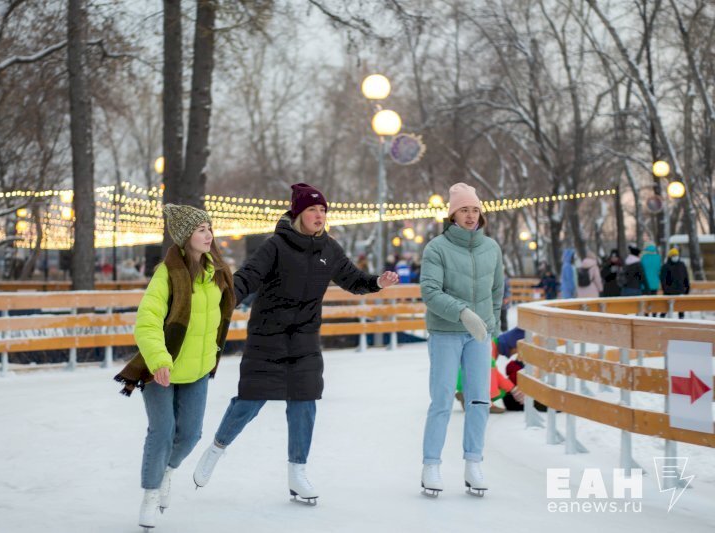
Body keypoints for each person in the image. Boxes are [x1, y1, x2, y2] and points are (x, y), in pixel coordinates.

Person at [192, 183, 399, 505]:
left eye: (323, 210)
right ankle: (216, 449)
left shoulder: (329, 249)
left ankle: (297, 472)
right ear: (299, 214)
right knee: (250, 401)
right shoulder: (275, 245)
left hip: (304, 339)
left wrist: (376, 282)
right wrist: (220, 299)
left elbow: (352, 279)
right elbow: (247, 278)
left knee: (305, 402)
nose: (320, 215)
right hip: (268, 336)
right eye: (313, 210)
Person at [113, 205, 235, 530]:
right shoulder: (167, 275)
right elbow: (147, 322)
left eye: (209, 228)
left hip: (197, 369)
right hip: (161, 369)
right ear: (185, 237)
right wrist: (159, 360)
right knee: (163, 432)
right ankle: (150, 496)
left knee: (191, 434)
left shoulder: (217, 273)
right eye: (200, 230)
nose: (208, 235)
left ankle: (167, 472)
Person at [419, 182, 504, 498]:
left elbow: (497, 290)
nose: (470, 216)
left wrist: (489, 322)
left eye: (474, 210)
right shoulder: (437, 248)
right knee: (442, 399)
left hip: (479, 336)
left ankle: (473, 462)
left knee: (480, 399)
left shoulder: (491, 248)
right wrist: (463, 313)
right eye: (464, 210)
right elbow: (429, 291)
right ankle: (431, 465)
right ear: (453, 214)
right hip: (445, 333)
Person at [660, 248, 690, 319]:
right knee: (665, 309)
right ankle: (661, 320)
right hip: (668, 292)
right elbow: (663, 280)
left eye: (676, 255)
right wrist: (666, 289)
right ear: (670, 257)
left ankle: (681, 320)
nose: (675, 256)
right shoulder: (665, 266)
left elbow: (686, 277)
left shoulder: (682, 265)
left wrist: (687, 288)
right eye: (673, 255)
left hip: (680, 291)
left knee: (681, 310)